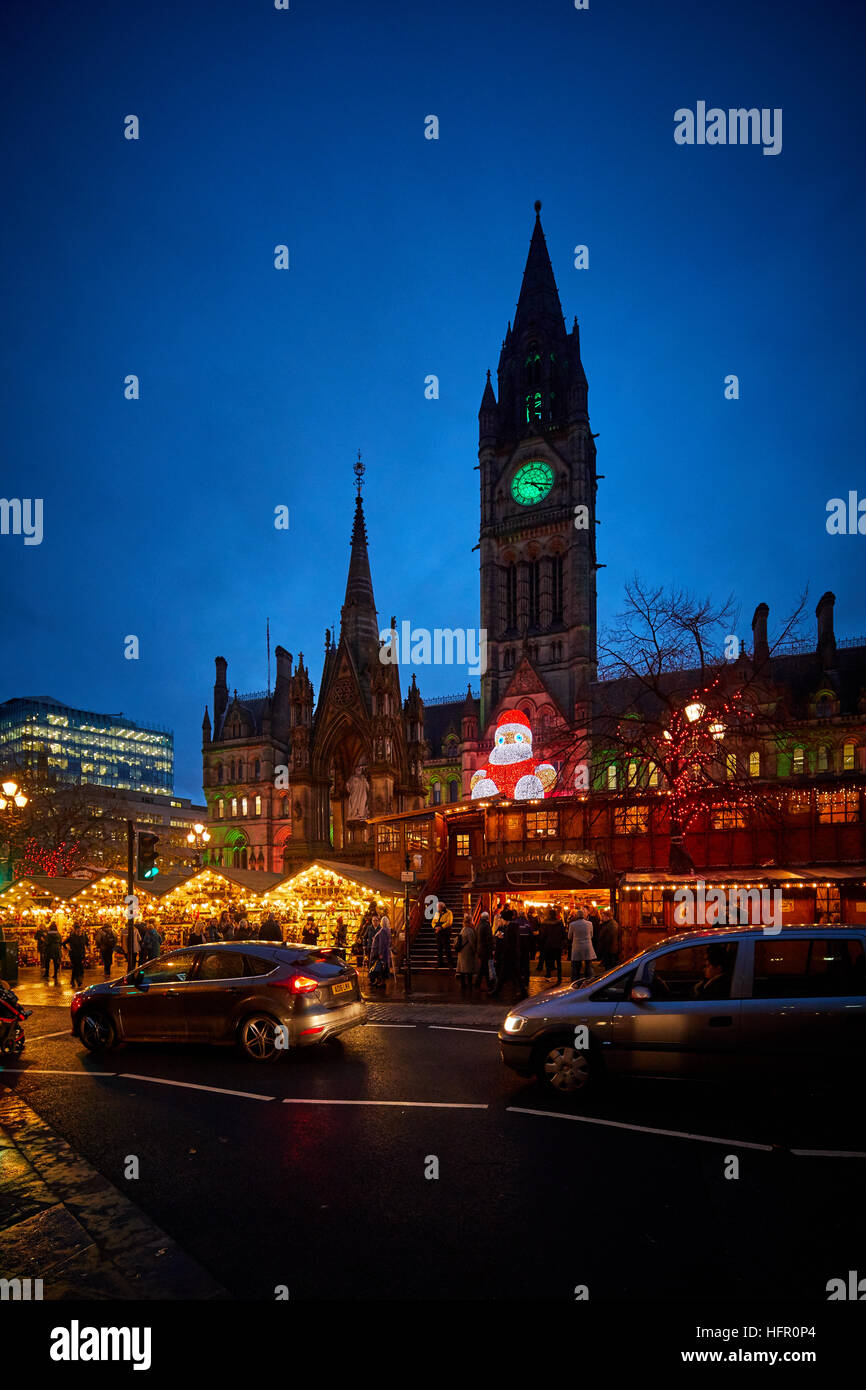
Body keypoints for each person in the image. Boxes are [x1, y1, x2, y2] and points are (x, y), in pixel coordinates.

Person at [489, 910, 522, 1000]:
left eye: (502, 919)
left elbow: (509, 942)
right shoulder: (508, 928)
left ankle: (497, 991)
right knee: (514, 975)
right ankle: (522, 991)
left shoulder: (510, 929)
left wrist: (501, 938)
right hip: (510, 955)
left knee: (507, 974)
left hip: (509, 955)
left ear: (505, 919)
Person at [567, 909, 596, 981]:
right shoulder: (589, 924)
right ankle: (590, 980)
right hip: (587, 946)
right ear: (584, 916)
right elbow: (591, 935)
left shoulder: (572, 924)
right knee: (589, 966)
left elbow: (569, 937)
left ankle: (575, 981)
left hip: (577, 947)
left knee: (575, 966)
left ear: (577, 916)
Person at [539, 907, 566, 985]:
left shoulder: (545, 923)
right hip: (557, 945)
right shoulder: (559, 923)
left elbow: (542, 935)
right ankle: (559, 976)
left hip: (548, 945)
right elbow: (563, 934)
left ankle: (548, 975)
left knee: (548, 961)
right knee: (558, 961)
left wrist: (542, 942)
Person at [456, 912, 477, 994]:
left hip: (462, 952)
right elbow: (472, 942)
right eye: (472, 920)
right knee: (468, 970)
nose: (473, 921)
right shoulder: (469, 930)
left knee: (463, 970)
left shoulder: (463, 929)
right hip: (467, 952)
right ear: (470, 921)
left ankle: (463, 984)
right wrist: (475, 950)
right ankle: (468, 984)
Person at [368, 916, 392, 988]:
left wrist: (380, 953)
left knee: (379, 967)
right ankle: (379, 981)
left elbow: (381, 943)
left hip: (379, 952)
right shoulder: (387, 930)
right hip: (385, 952)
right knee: (381, 967)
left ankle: (381, 981)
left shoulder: (382, 931)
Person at [474, 911, 494, 992]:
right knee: (484, 966)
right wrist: (492, 948)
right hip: (485, 949)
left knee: (484, 966)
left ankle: (482, 983)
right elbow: (489, 938)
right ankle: (483, 983)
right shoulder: (486, 926)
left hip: (480, 949)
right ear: (487, 918)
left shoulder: (478, 925)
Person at [65, 922, 88, 989]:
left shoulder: (81, 936)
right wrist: (68, 948)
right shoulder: (72, 936)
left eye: (79, 930)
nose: (79, 931)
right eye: (78, 930)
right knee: (77, 967)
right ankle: (78, 981)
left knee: (77, 967)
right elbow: (64, 943)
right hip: (75, 954)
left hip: (79, 954)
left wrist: (68, 949)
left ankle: (74, 981)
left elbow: (86, 942)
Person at [432, 900, 454, 970]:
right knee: (439, 948)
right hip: (438, 931)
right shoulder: (436, 913)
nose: (437, 909)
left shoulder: (449, 912)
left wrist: (441, 927)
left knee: (447, 947)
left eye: (438, 907)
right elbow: (433, 922)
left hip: (445, 931)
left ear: (442, 907)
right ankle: (440, 963)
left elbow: (449, 922)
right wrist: (435, 927)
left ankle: (450, 963)